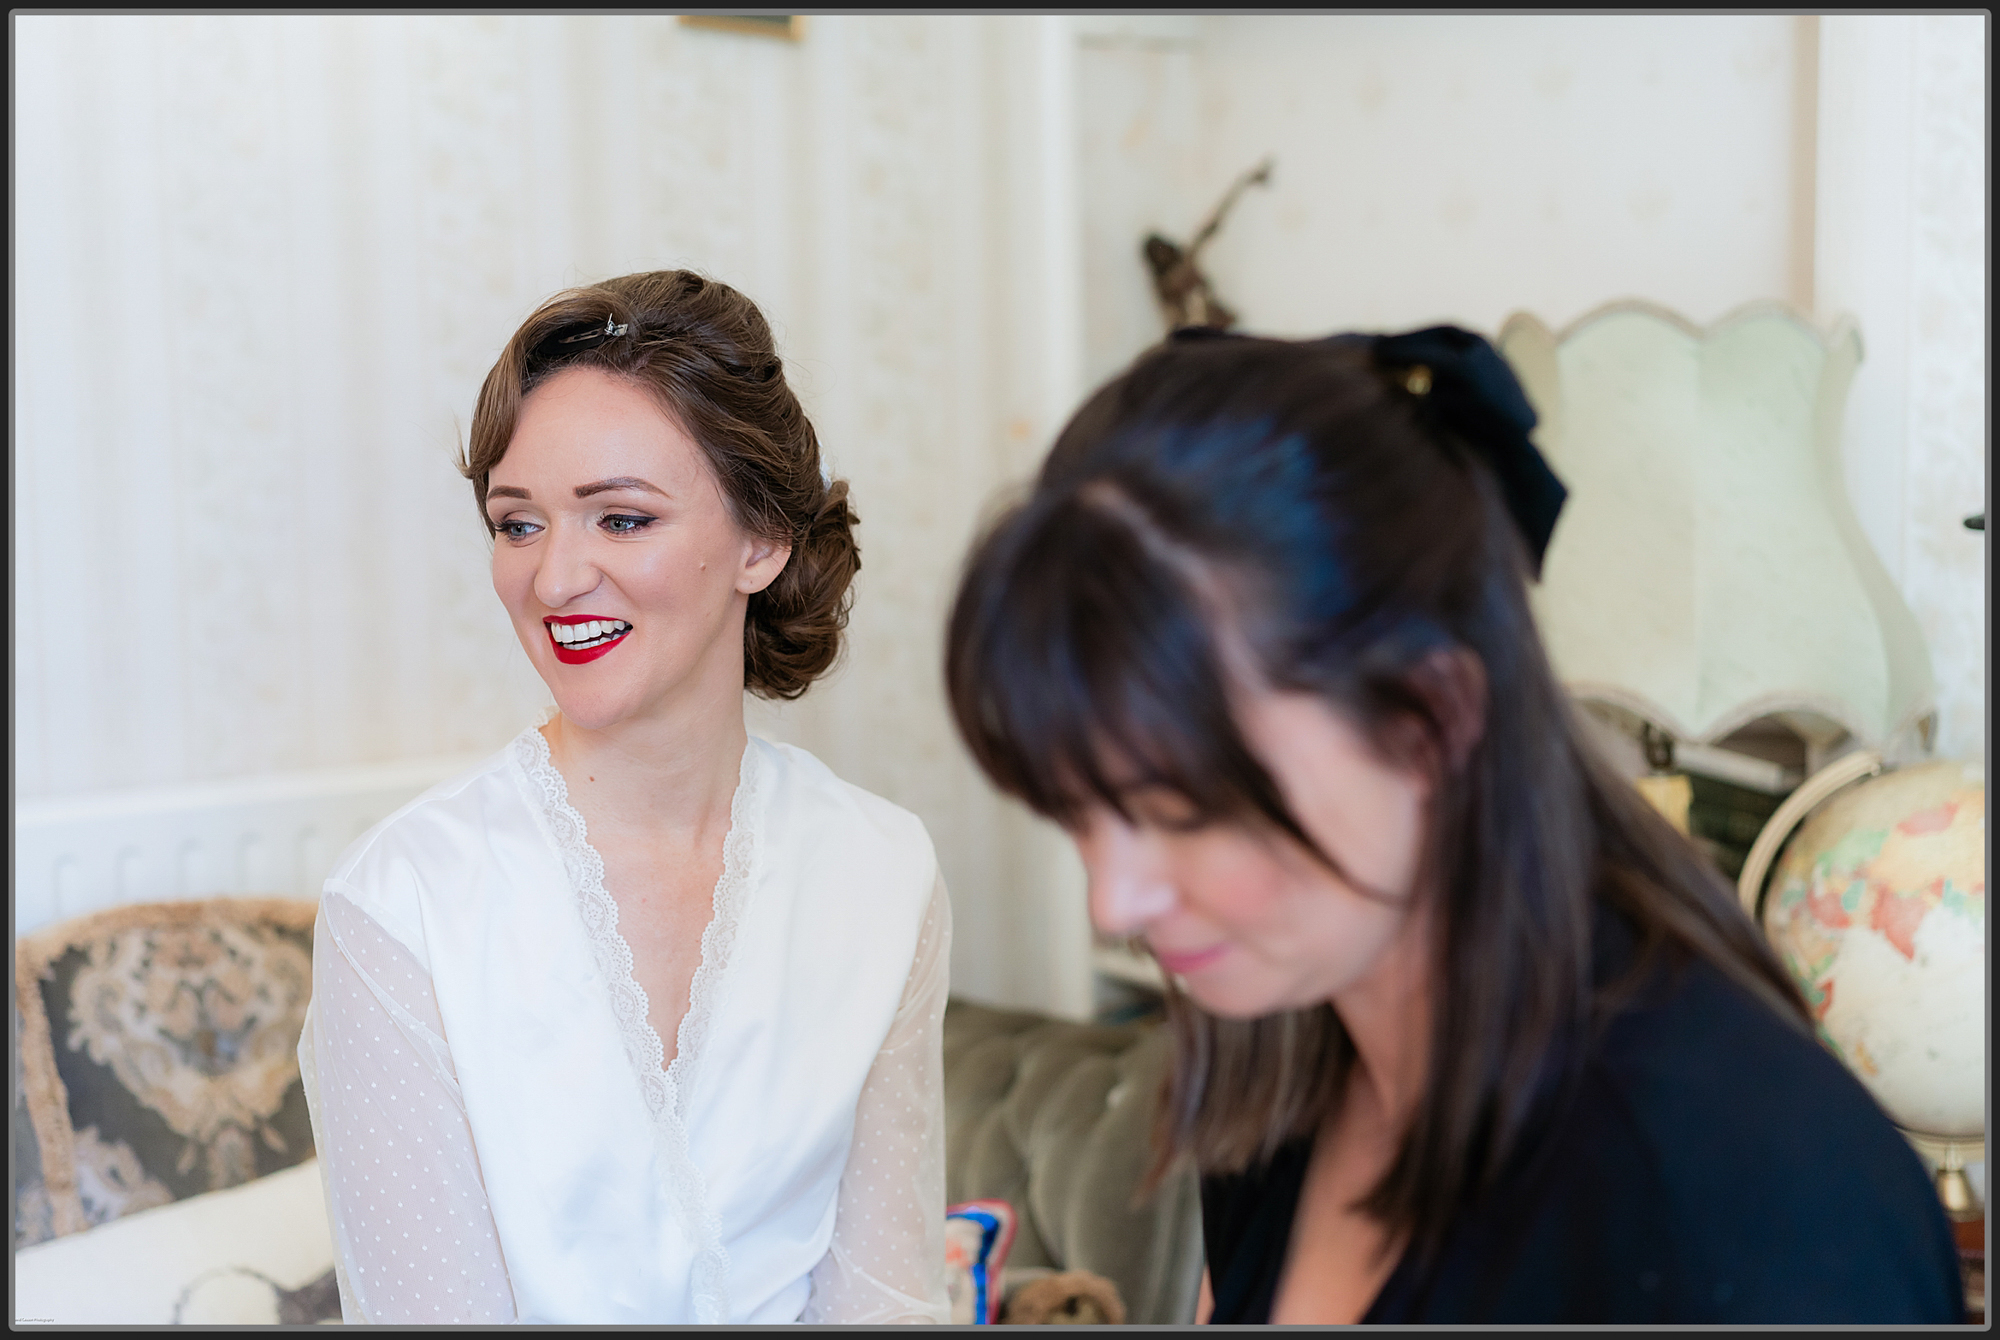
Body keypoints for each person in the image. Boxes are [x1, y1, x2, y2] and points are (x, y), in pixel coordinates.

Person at [942, 326, 1963, 1324]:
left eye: (1183, 810)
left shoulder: (1742, 1197)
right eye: (1078, 810)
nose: (1112, 897)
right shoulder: (1280, 1051)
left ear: (1429, 717)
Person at [299, 270, 949, 1325]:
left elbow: (883, 1298)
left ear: (760, 538)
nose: (554, 580)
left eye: (621, 517)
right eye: (519, 524)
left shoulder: (882, 871)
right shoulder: (402, 903)